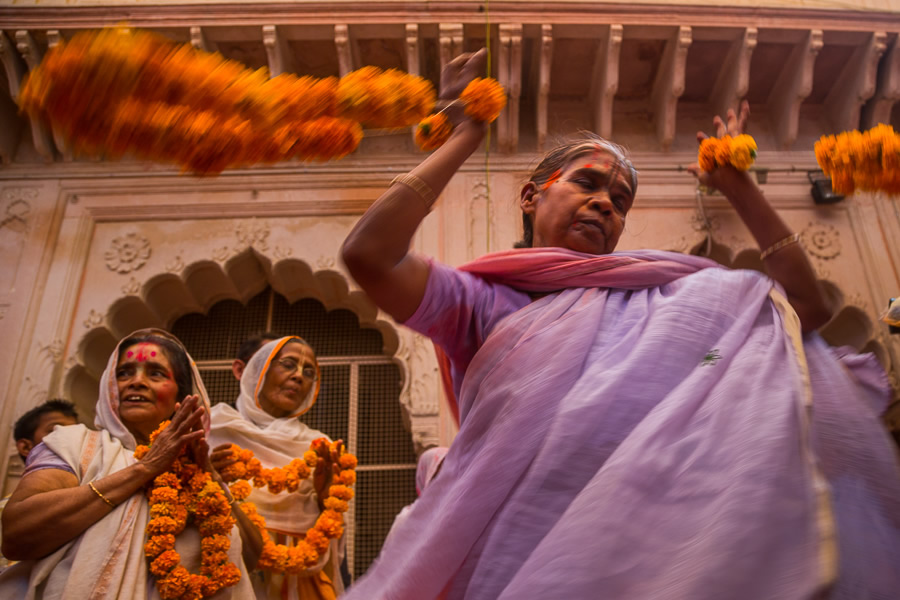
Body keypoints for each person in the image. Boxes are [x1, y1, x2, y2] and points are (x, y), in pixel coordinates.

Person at [339, 48, 900, 599]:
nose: (606, 203)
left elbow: (806, 305)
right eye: (586, 183)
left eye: (620, 199)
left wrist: (740, 189)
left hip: (655, 560)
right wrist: (464, 138)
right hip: (514, 566)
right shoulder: (482, 302)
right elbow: (370, 255)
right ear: (532, 196)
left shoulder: (673, 295)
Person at [0, 329, 262, 599]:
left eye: (156, 373)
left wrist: (212, 477)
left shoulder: (196, 472)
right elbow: (17, 534)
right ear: (111, 389)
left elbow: (251, 559)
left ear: (180, 399)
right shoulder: (75, 444)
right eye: (124, 373)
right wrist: (145, 469)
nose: (136, 382)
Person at [208, 336, 344, 600]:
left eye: (308, 372)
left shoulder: (319, 447)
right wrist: (204, 479)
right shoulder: (211, 430)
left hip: (299, 584)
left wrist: (325, 498)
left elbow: (332, 536)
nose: (298, 377)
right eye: (287, 364)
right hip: (222, 577)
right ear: (242, 370)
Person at [0, 400, 79, 571]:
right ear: (26, 447)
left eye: (76, 434)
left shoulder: (84, 503)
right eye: (56, 431)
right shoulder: (6, 512)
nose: (71, 440)